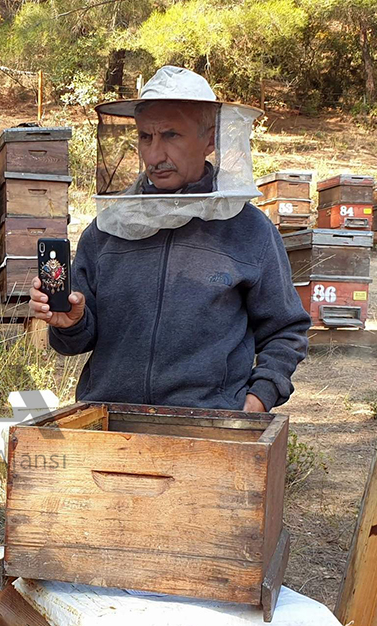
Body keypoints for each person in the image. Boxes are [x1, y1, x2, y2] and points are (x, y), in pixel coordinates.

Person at [30, 66, 310, 412]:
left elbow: (286, 328)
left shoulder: (249, 229)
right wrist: (70, 322)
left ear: (210, 139)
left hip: (209, 428)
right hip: (110, 423)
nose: (154, 155)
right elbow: (76, 340)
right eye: (145, 137)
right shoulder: (107, 229)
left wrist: (258, 398)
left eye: (171, 135)